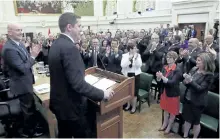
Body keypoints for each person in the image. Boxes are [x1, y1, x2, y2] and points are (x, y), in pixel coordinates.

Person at [48, 12, 115, 138]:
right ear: (69, 27)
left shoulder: (56, 44)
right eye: (79, 26)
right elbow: (78, 84)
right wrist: (102, 94)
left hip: (59, 105)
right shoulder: (70, 48)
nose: (81, 30)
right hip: (72, 109)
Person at [1, 23, 42, 137]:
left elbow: (26, 60)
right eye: (17, 30)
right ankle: (29, 132)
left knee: (31, 107)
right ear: (10, 32)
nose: (21, 32)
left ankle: (33, 126)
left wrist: (31, 56)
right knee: (28, 109)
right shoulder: (9, 48)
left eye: (21, 30)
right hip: (21, 85)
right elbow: (23, 68)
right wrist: (33, 56)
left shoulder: (19, 44)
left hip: (26, 82)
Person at [182, 53, 215, 138]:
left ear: (205, 62)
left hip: (197, 102)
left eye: (199, 60)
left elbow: (200, 89)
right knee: (187, 119)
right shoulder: (194, 69)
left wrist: (190, 81)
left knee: (196, 122)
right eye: (197, 60)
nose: (196, 61)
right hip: (188, 98)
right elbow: (186, 83)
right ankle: (185, 136)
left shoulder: (209, 75)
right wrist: (185, 81)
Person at [156, 51, 182, 134]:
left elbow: (172, 83)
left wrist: (162, 77)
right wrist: (159, 78)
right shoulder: (165, 67)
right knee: (165, 110)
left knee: (172, 112)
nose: (168, 59)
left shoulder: (177, 70)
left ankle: (169, 127)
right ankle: (164, 124)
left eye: (170, 58)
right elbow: (160, 82)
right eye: (167, 57)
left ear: (175, 59)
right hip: (164, 93)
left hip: (173, 94)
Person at [121, 39, 142, 114]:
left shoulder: (138, 55)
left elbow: (139, 65)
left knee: (134, 92)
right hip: (127, 75)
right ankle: (128, 105)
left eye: (136, 48)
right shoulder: (125, 55)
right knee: (128, 92)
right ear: (130, 49)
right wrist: (129, 59)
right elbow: (122, 65)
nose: (136, 49)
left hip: (136, 75)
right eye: (134, 48)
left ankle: (133, 107)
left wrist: (135, 58)